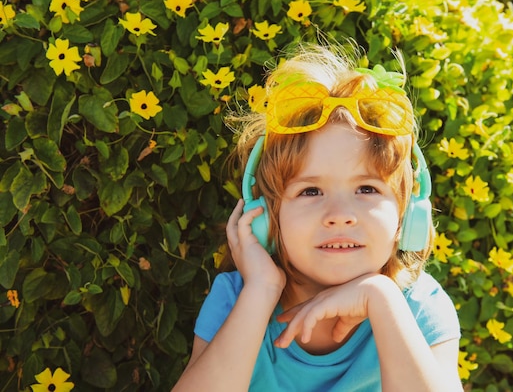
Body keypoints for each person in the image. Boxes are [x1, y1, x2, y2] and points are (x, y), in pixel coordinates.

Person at [173, 43, 462, 391]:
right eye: (310, 192)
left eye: (367, 189)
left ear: (406, 212)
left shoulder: (418, 308)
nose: (340, 216)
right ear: (267, 217)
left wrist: (381, 299)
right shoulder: (238, 299)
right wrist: (262, 290)